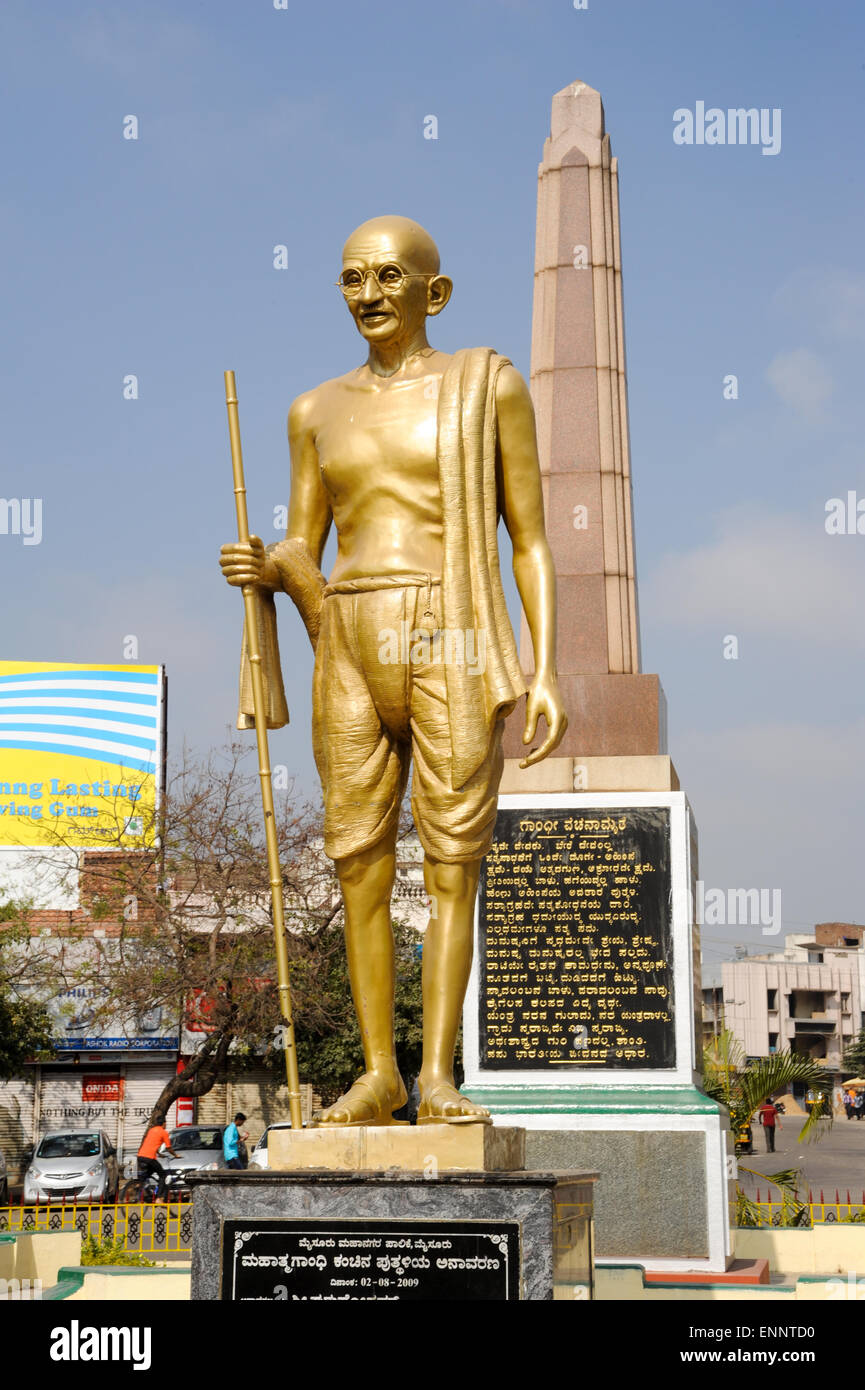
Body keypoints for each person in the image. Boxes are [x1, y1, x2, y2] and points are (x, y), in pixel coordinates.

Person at [220, 216, 567, 1127]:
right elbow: (307, 541)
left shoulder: (485, 388)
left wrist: (544, 667)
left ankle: (439, 1076)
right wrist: (269, 564)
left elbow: (526, 538)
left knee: (453, 860)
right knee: (357, 862)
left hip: (448, 622)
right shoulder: (313, 410)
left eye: (385, 277)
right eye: (349, 279)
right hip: (348, 627)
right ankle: (379, 1072)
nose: (367, 294)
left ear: (433, 293)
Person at [137, 1121, 177, 1203]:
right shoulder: (164, 1133)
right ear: (163, 1123)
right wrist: (176, 1155)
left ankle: (140, 1183)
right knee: (163, 1175)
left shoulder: (151, 1130)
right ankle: (159, 1197)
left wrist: (159, 1154)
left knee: (149, 1172)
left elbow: (151, 1144)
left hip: (140, 1156)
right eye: (166, 1123)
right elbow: (169, 1148)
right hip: (150, 1157)